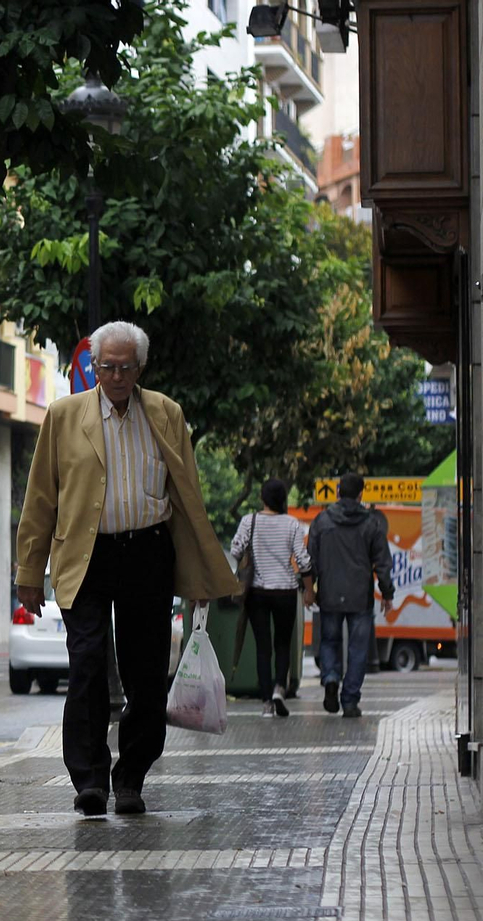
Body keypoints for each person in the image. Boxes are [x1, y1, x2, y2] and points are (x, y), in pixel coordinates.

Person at [16, 321, 240, 817]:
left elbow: (189, 500)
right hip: (85, 556)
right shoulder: (64, 415)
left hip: (148, 553)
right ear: (94, 366)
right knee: (89, 664)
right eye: (107, 366)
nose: (116, 375)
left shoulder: (165, 413)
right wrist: (28, 572)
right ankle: (90, 779)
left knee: (144, 673)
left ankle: (132, 775)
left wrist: (201, 575)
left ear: (140, 367)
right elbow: (40, 499)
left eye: (126, 367)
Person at [308, 473, 394, 719]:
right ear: (360, 495)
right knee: (358, 649)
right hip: (360, 596)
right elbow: (383, 563)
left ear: (337, 493)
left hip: (329, 594)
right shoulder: (371, 523)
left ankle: (331, 678)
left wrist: (309, 589)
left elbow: (310, 558)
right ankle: (350, 701)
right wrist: (387, 593)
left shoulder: (322, 521)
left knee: (329, 641)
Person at [229, 478, 315, 717]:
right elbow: (303, 559)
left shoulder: (249, 521)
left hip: (257, 592)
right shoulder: (292, 523)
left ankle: (266, 702)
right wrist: (309, 590)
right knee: (283, 643)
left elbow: (236, 550)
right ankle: (280, 688)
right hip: (285, 591)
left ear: (262, 498)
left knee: (263, 647)